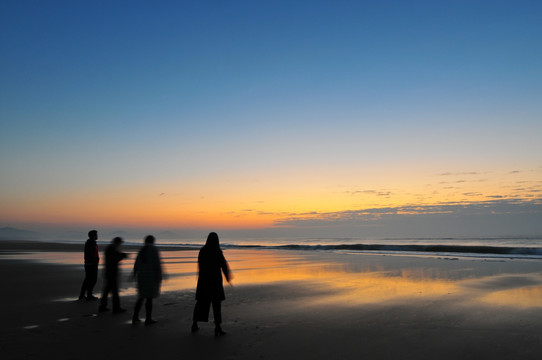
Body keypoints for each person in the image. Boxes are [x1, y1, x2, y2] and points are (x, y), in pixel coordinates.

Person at [192, 232, 232, 336]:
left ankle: (194, 324)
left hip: (204, 281)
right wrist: (228, 277)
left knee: (200, 303)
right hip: (215, 282)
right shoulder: (217, 251)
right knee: (216, 305)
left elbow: (200, 265)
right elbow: (224, 265)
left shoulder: (203, 251)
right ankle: (217, 327)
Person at [132, 235, 163, 325]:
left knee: (141, 297)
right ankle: (148, 318)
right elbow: (157, 264)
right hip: (151, 277)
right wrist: (159, 276)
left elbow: (136, 264)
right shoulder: (153, 249)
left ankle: (135, 317)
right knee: (149, 298)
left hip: (141, 277)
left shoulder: (142, 249)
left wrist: (134, 274)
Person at [98, 237, 128, 313]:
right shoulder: (111, 249)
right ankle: (116, 308)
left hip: (109, 272)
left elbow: (115, 257)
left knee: (107, 290)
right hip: (111, 273)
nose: (120, 245)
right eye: (120, 243)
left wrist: (121, 255)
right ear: (117, 242)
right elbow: (114, 259)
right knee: (114, 291)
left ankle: (103, 306)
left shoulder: (110, 248)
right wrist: (122, 255)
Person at [79, 230, 100, 300]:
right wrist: (95, 261)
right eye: (96, 235)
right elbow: (92, 254)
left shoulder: (90, 243)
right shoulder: (91, 243)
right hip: (91, 264)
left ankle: (84, 295)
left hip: (89, 264)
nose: (97, 236)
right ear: (94, 236)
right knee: (92, 279)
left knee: (88, 280)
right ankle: (88, 295)